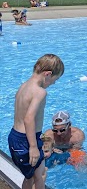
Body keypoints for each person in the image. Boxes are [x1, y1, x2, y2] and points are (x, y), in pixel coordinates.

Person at [8, 54, 64, 189]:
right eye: (54, 80)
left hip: (16, 137)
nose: (53, 83)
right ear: (48, 74)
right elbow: (28, 118)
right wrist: (33, 147)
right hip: (26, 140)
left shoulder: (23, 86)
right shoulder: (39, 92)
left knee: (34, 175)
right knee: (39, 177)